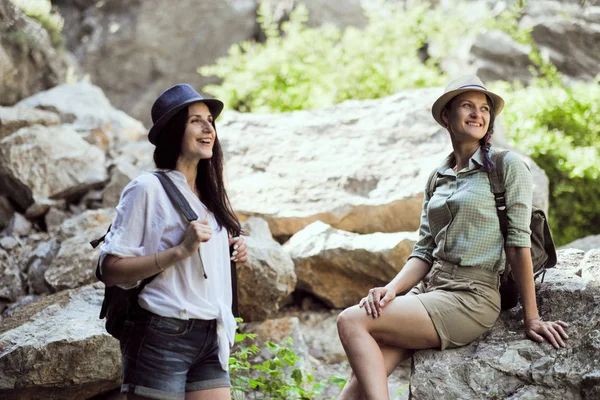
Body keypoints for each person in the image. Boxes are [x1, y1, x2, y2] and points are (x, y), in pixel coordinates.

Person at [336, 75, 569, 400]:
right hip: (428, 289)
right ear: (447, 116)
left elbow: (518, 243)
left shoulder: (507, 166)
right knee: (358, 383)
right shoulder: (438, 176)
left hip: (470, 297)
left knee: (351, 321)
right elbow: (424, 251)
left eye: (484, 108)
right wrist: (390, 290)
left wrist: (532, 319)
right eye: (467, 106)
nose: (478, 114)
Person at [99, 84, 248, 400]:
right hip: (162, 333)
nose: (208, 127)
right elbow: (110, 268)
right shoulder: (146, 189)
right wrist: (180, 250)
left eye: (210, 120)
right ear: (172, 130)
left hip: (212, 334)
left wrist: (230, 252)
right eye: (196, 120)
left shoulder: (210, 199)